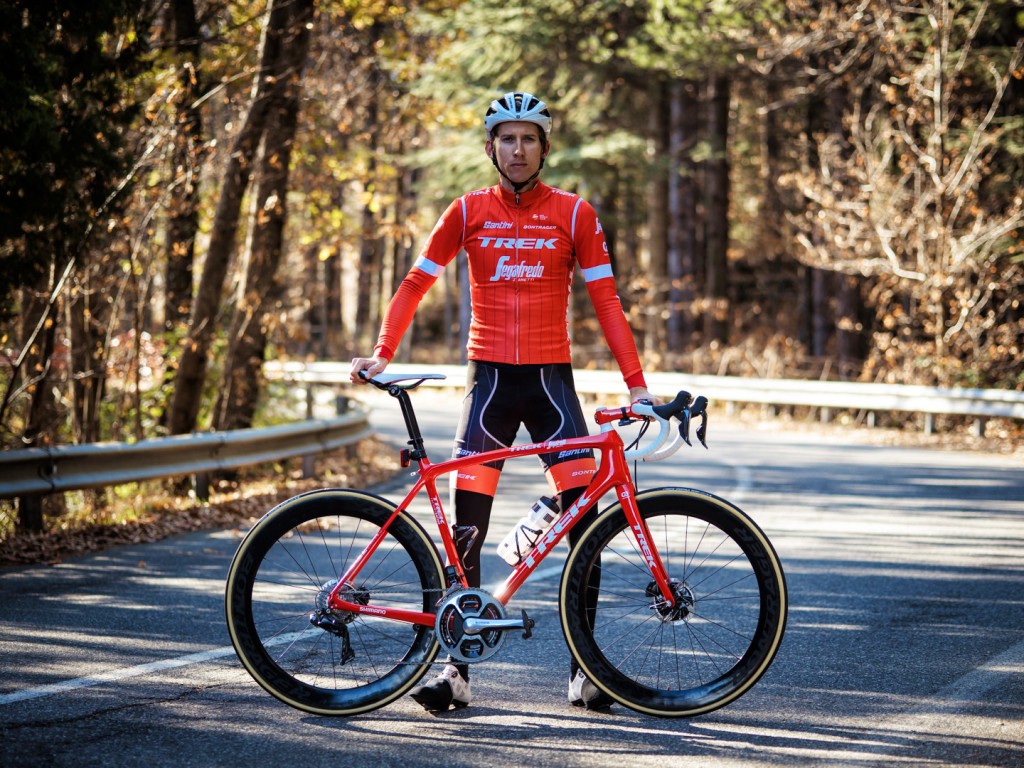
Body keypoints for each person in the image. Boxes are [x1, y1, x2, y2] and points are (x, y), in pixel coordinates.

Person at [350, 91, 656, 713]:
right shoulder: (465, 211)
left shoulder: (575, 215)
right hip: (488, 384)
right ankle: (454, 673)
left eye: (529, 139)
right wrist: (383, 352)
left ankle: (586, 671)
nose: (518, 150)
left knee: (585, 531)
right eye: (506, 139)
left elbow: (607, 303)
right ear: (491, 147)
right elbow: (416, 282)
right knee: (466, 532)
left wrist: (637, 385)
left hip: (551, 386)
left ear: (545, 148)